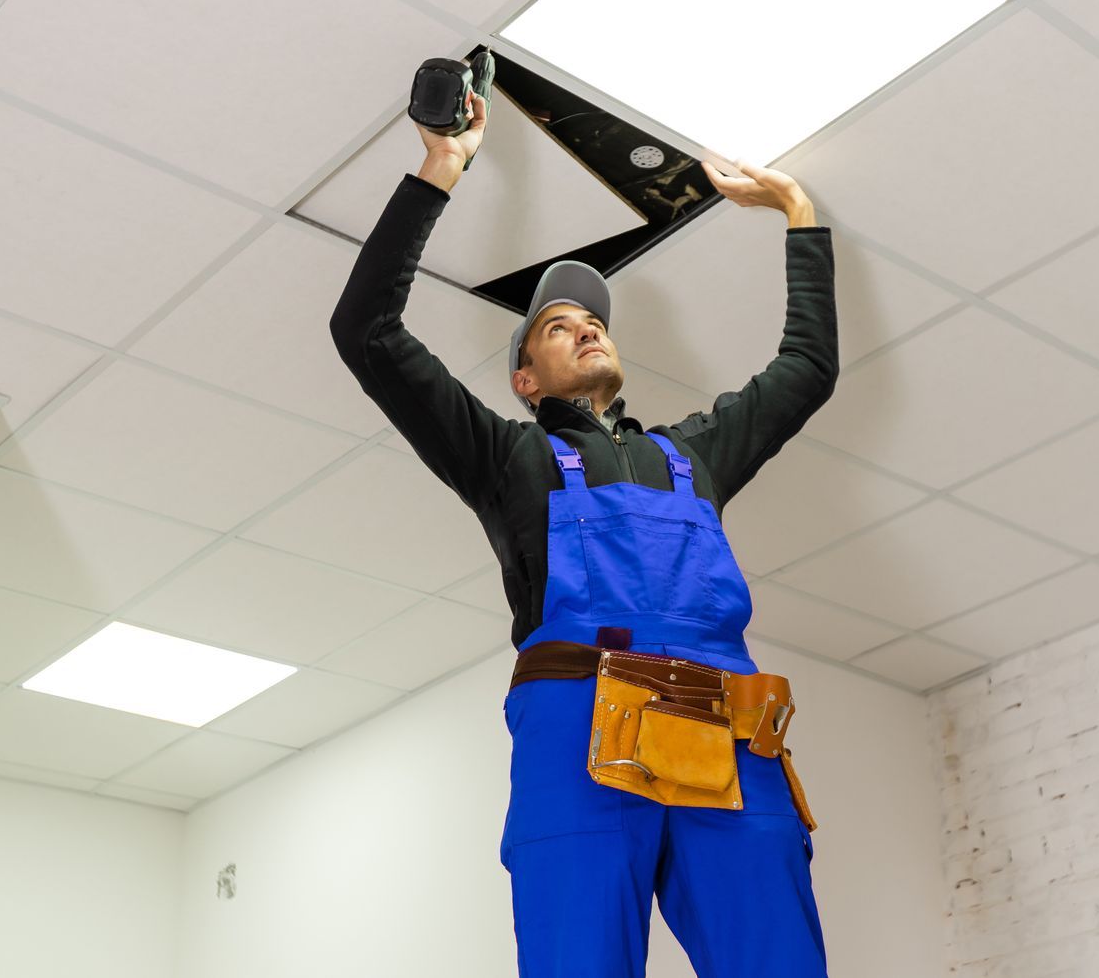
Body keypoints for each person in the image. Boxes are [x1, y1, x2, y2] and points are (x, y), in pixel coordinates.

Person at [330, 84, 838, 977]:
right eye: (558, 327)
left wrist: (798, 213)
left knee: (780, 962)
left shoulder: (695, 455)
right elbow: (365, 329)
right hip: (578, 721)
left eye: (593, 318)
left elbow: (806, 369)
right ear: (527, 381)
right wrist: (439, 169)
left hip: (727, 722)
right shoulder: (506, 457)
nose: (587, 325)